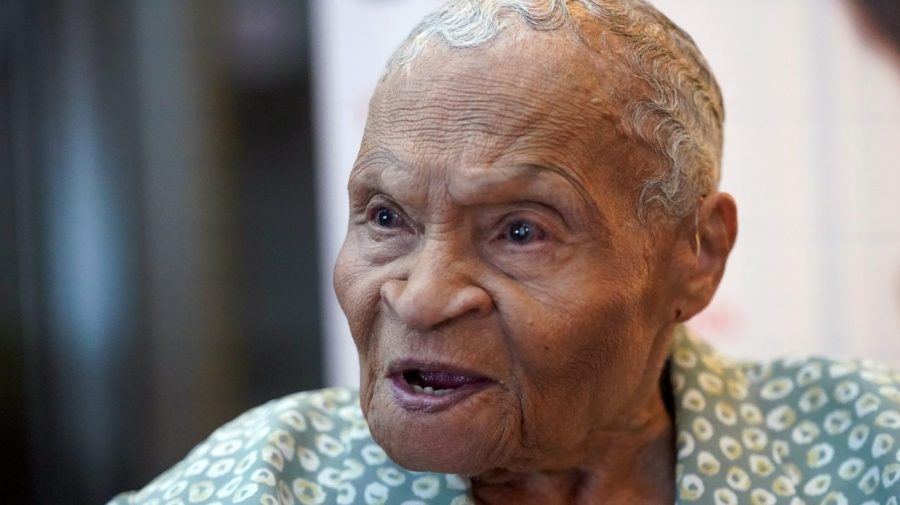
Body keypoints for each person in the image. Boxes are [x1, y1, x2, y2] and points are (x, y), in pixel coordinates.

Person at [109, 0, 900, 503]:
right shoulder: (269, 481)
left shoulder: (871, 447)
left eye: (520, 230)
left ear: (697, 254)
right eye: (386, 216)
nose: (418, 297)